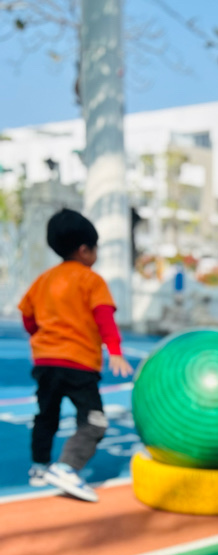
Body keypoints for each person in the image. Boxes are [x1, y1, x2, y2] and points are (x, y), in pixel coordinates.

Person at [18, 208, 133, 502]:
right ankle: (67, 467)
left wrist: (42, 337)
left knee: (46, 416)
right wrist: (115, 350)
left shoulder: (43, 280)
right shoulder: (91, 280)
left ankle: (39, 468)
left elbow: (28, 317)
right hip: (79, 365)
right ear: (84, 250)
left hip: (45, 363)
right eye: (95, 249)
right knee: (94, 421)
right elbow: (104, 317)